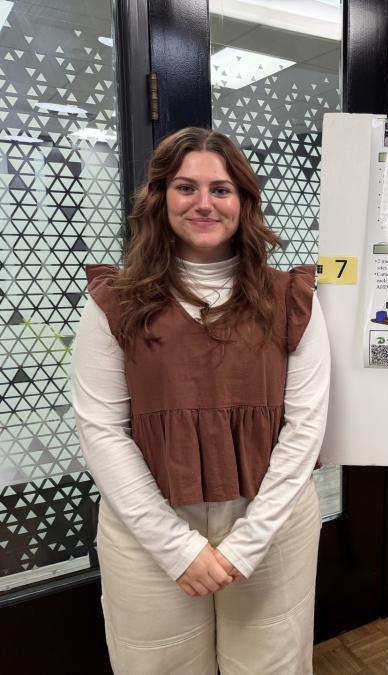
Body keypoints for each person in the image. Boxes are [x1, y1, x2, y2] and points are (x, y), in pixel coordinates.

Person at [71, 127, 330, 674]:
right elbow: (101, 429)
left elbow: (305, 428)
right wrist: (175, 547)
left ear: (244, 201)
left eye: (222, 188)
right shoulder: (113, 304)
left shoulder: (292, 299)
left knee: (271, 666)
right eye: (187, 187)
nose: (205, 203)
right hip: (148, 525)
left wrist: (246, 545)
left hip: (271, 521)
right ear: (161, 198)